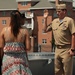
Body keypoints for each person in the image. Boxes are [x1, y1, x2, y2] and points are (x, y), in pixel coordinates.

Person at [43, 4, 75, 75]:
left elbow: (73, 34)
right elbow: (45, 30)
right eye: (56, 11)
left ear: (64, 11)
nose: (57, 13)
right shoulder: (55, 21)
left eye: (59, 11)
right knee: (57, 71)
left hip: (66, 49)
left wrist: (72, 49)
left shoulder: (69, 21)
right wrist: (45, 18)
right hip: (57, 49)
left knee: (67, 71)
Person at [0, 10, 32, 75]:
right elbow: (28, 48)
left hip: (8, 60)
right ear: (20, 19)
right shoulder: (24, 31)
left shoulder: (4, 30)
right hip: (21, 60)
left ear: (10, 19)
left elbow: (1, 47)